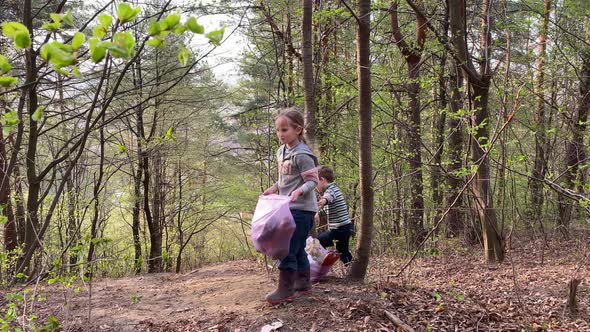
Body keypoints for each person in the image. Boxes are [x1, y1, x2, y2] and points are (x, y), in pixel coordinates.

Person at [262, 109, 319, 305]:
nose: (280, 134)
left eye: (285, 129)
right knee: (296, 247)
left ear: (298, 129)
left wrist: (300, 191)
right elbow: (285, 180)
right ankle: (302, 283)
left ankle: (285, 290)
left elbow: (313, 181)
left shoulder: (303, 154)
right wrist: (273, 188)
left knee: (286, 248)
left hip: (302, 210)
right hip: (286, 207)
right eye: (278, 130)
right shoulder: (281, 151)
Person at [316, 166, 353, 265]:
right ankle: (351, 269)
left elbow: (328, 197)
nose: (315, 186)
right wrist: (317, 214)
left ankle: (324, 266)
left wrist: (323, 201)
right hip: (345, 228)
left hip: (340, 229)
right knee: (343, 253)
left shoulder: (331, 190)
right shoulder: (333, 189)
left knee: (318, 242)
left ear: (322, 180)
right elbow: (325, 210)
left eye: (316, 183)